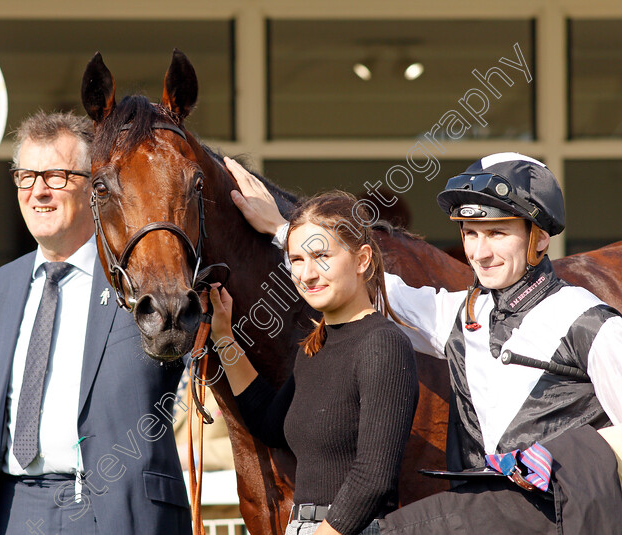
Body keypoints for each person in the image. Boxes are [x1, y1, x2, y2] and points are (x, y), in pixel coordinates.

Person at [226, 153, 622, 533]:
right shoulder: (461, 314)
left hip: (567, 514)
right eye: (470, 234)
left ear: (539, 238)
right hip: (483, 507)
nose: (480, 253)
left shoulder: (590, 322)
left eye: (497, 233)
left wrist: (558, 458)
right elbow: (372, 287)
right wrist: (283, 230)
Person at [0, 110, 191, 535]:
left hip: (112, 510)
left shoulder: (142, 281)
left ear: (94, 186)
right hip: (12, 510)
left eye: (56, 176)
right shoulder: (2, 286)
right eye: (27, 177)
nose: (39, 192)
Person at [208, 172, 419, 535]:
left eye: (321, 256)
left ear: (362, 259)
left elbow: (374, 476)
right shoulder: (314, 348)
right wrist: (224, 338)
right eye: (297, 260)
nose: (306, 274)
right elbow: (270, 425)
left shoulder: (383, 344)